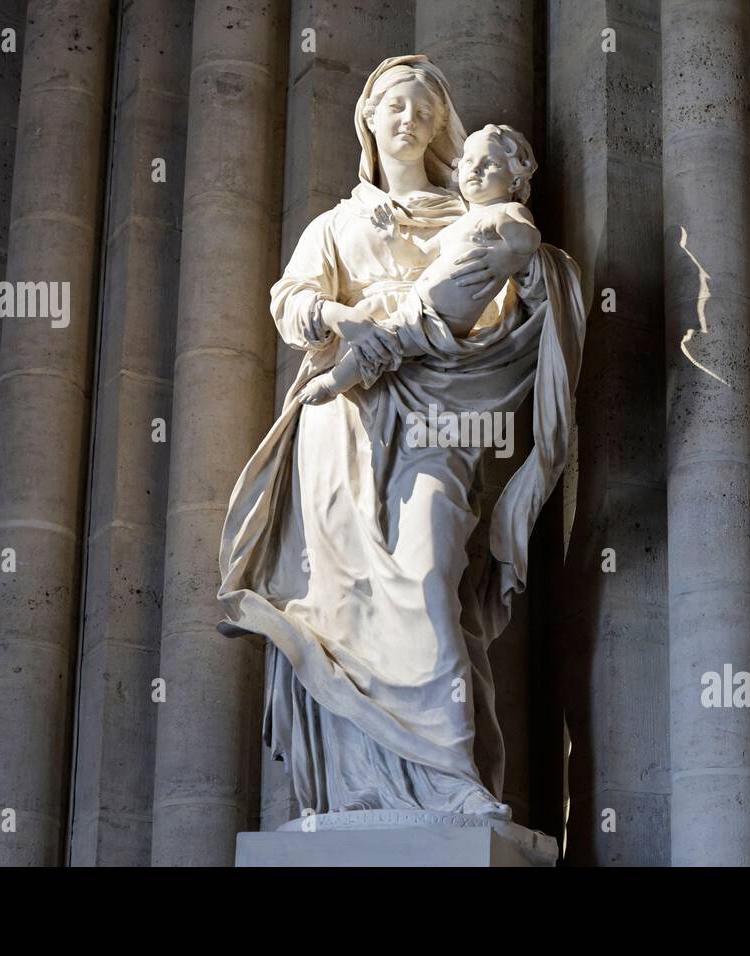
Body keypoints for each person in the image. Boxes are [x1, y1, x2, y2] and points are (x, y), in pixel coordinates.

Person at [217, 54, 586, 820]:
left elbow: (509, 308)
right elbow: (291, 303)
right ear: (368, 119)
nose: (408, 118)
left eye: (424, 106)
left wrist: (535, 279)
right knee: (340, 596)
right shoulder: (336, 224)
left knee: (426, 571)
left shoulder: (471, 217)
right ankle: (359, 788)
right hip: (341, 418)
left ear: (441, 125)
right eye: (393, 104)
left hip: (437, 410)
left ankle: (448, 770)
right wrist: (337, 317)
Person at [296, 124, 541, 406]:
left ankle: (332, 383)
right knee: (382, 340)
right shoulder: (461, 223)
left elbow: (527, 239)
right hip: (419, 305)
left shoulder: (505, 212)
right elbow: (421, 255)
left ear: (514, 182)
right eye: (470, 162)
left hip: (443, 318)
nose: (476, 169)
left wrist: (504, 258)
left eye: (490, 164)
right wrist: (393, 239)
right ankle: (337, 380)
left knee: (382, 345)